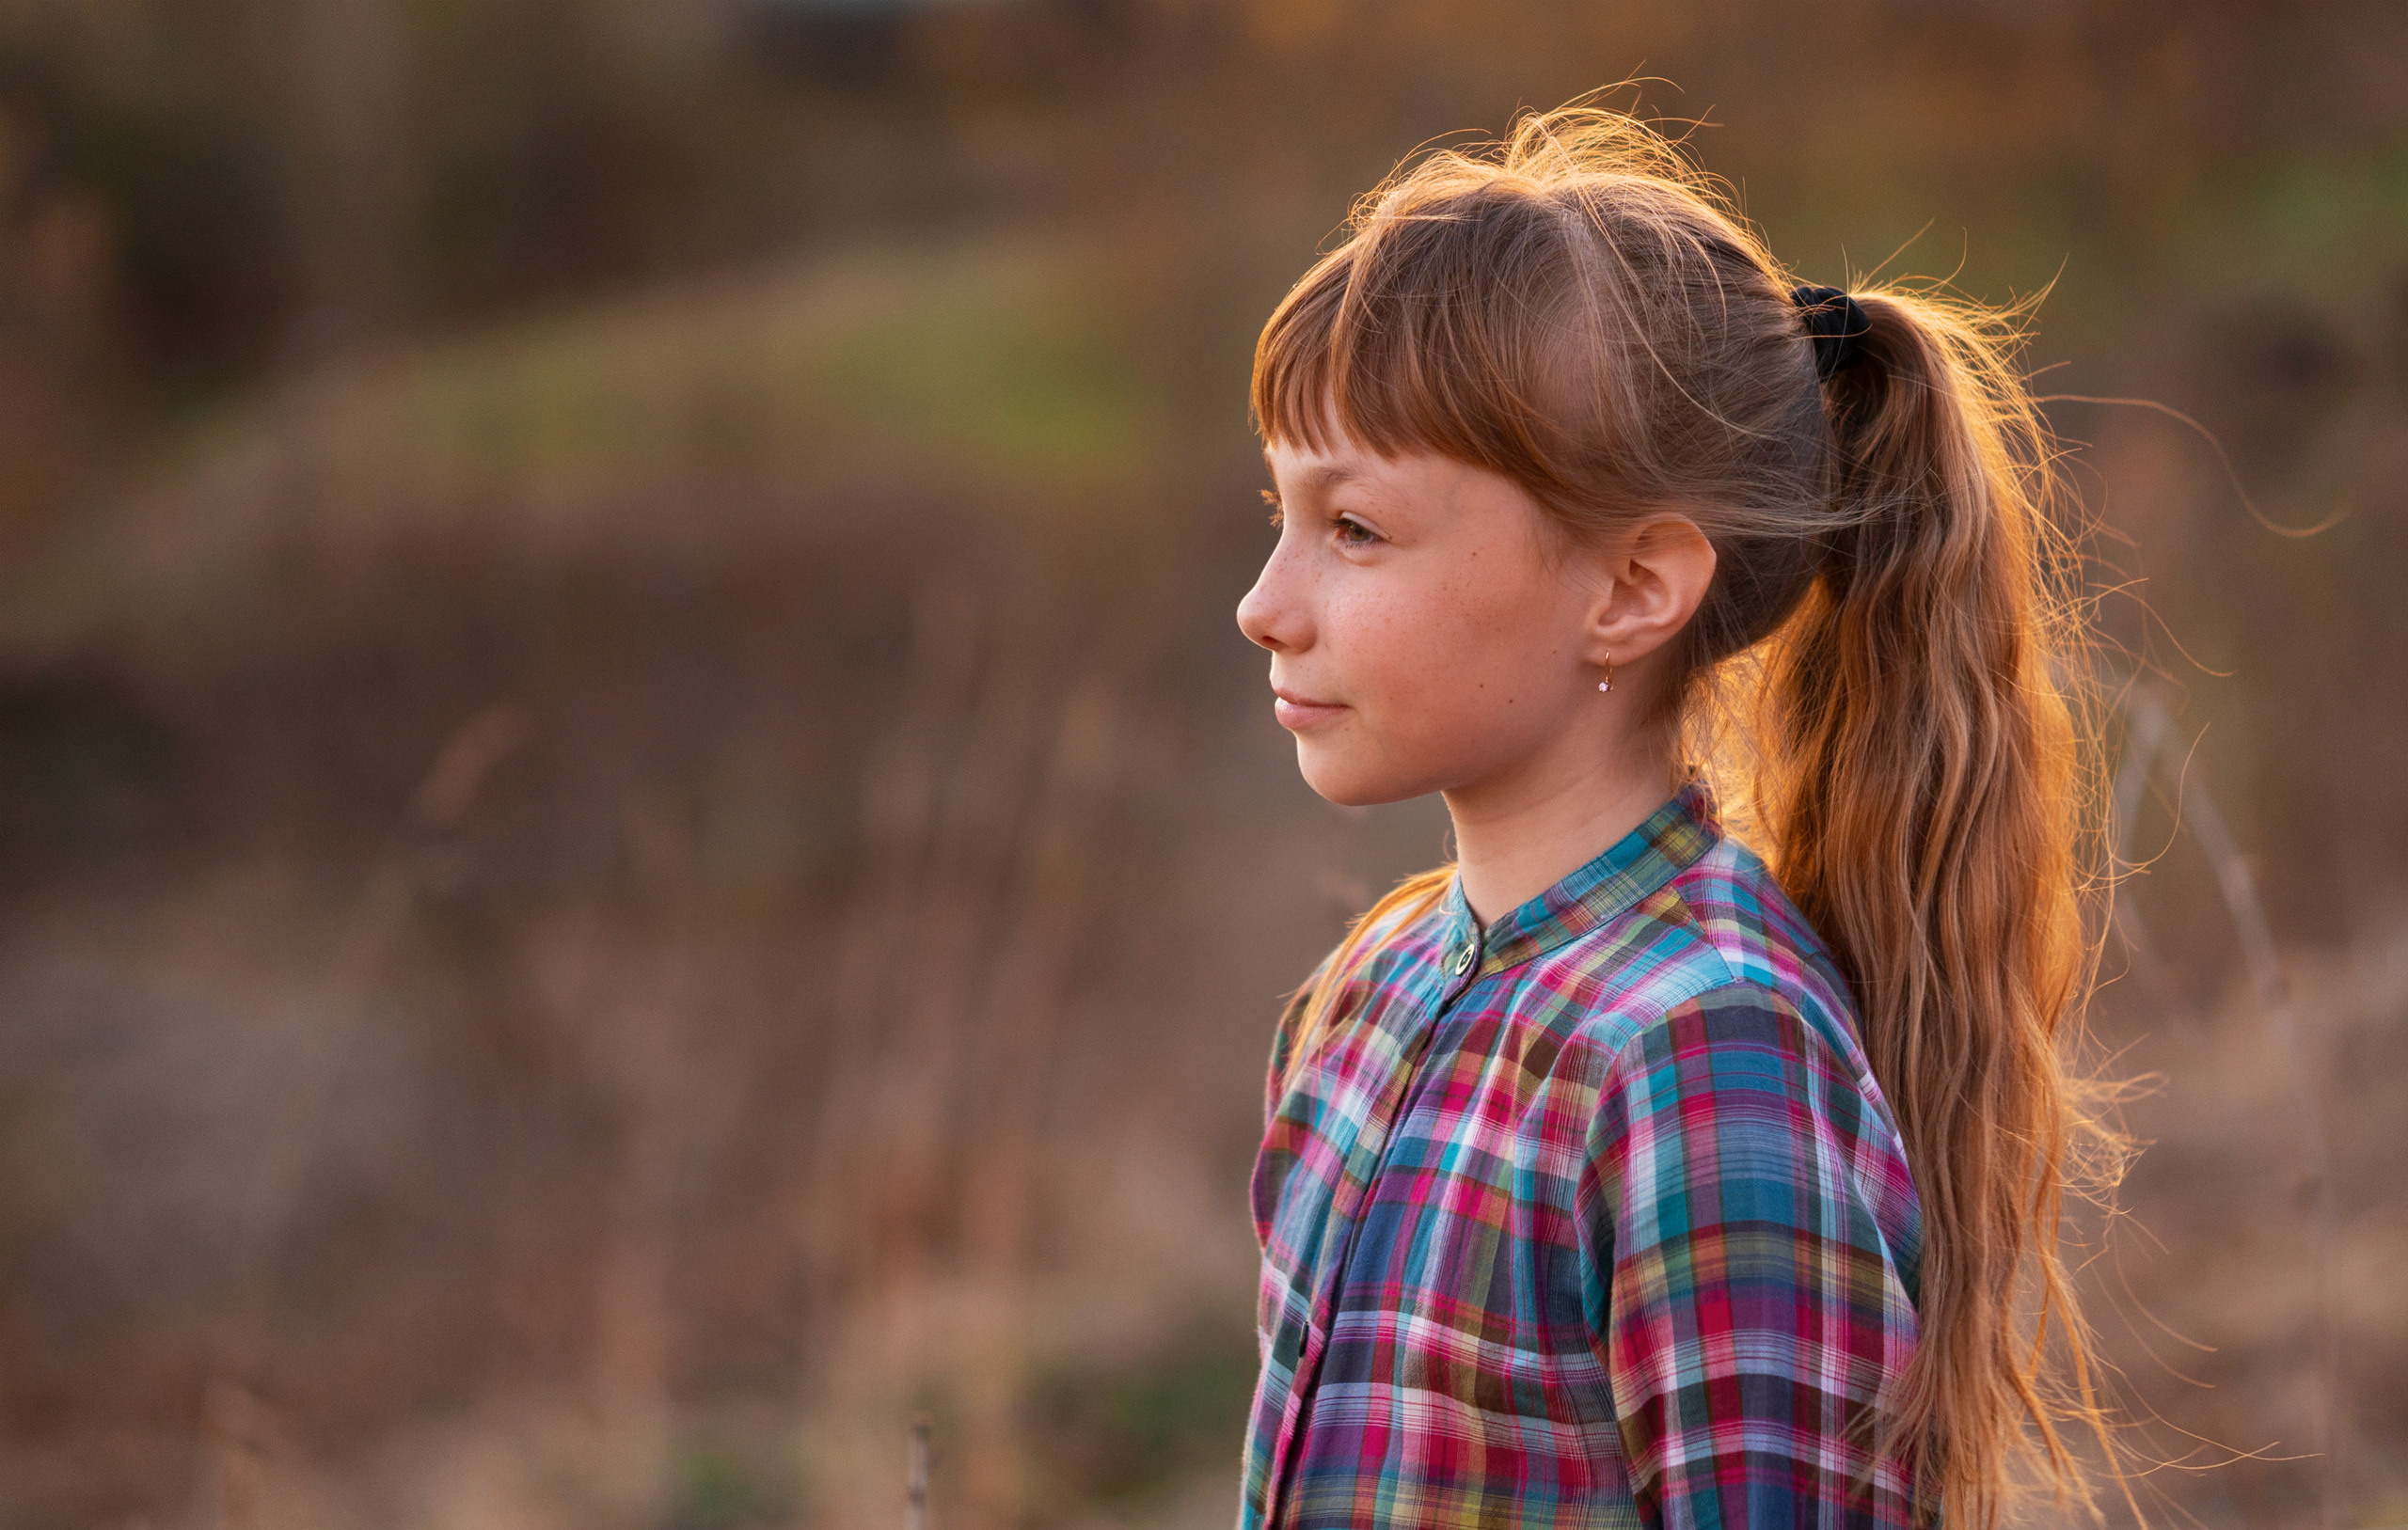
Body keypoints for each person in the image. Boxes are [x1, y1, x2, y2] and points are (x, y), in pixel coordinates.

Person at [1232, 103, 2117, 1530]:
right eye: (1276, 513)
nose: (1264, 606)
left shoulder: (1705, 1055)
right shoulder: (1360, 1000)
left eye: (1355, 530)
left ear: (1634, 590)